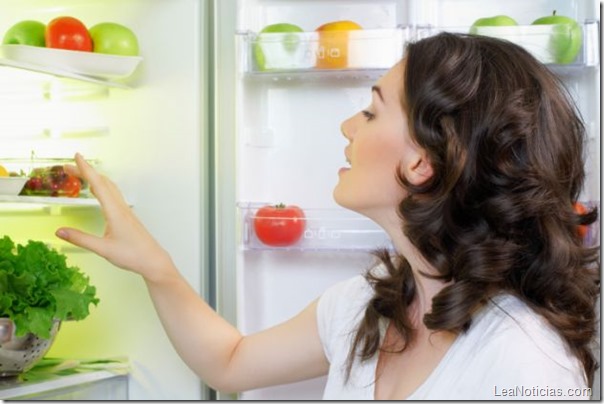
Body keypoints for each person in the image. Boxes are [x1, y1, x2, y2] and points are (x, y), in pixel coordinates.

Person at [55, 32, 599, 400]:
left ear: (424, 161)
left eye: (370, 111)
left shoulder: (528, 363)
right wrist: (157, 266)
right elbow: (230, 361)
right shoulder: (362, 308)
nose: (347, 127)